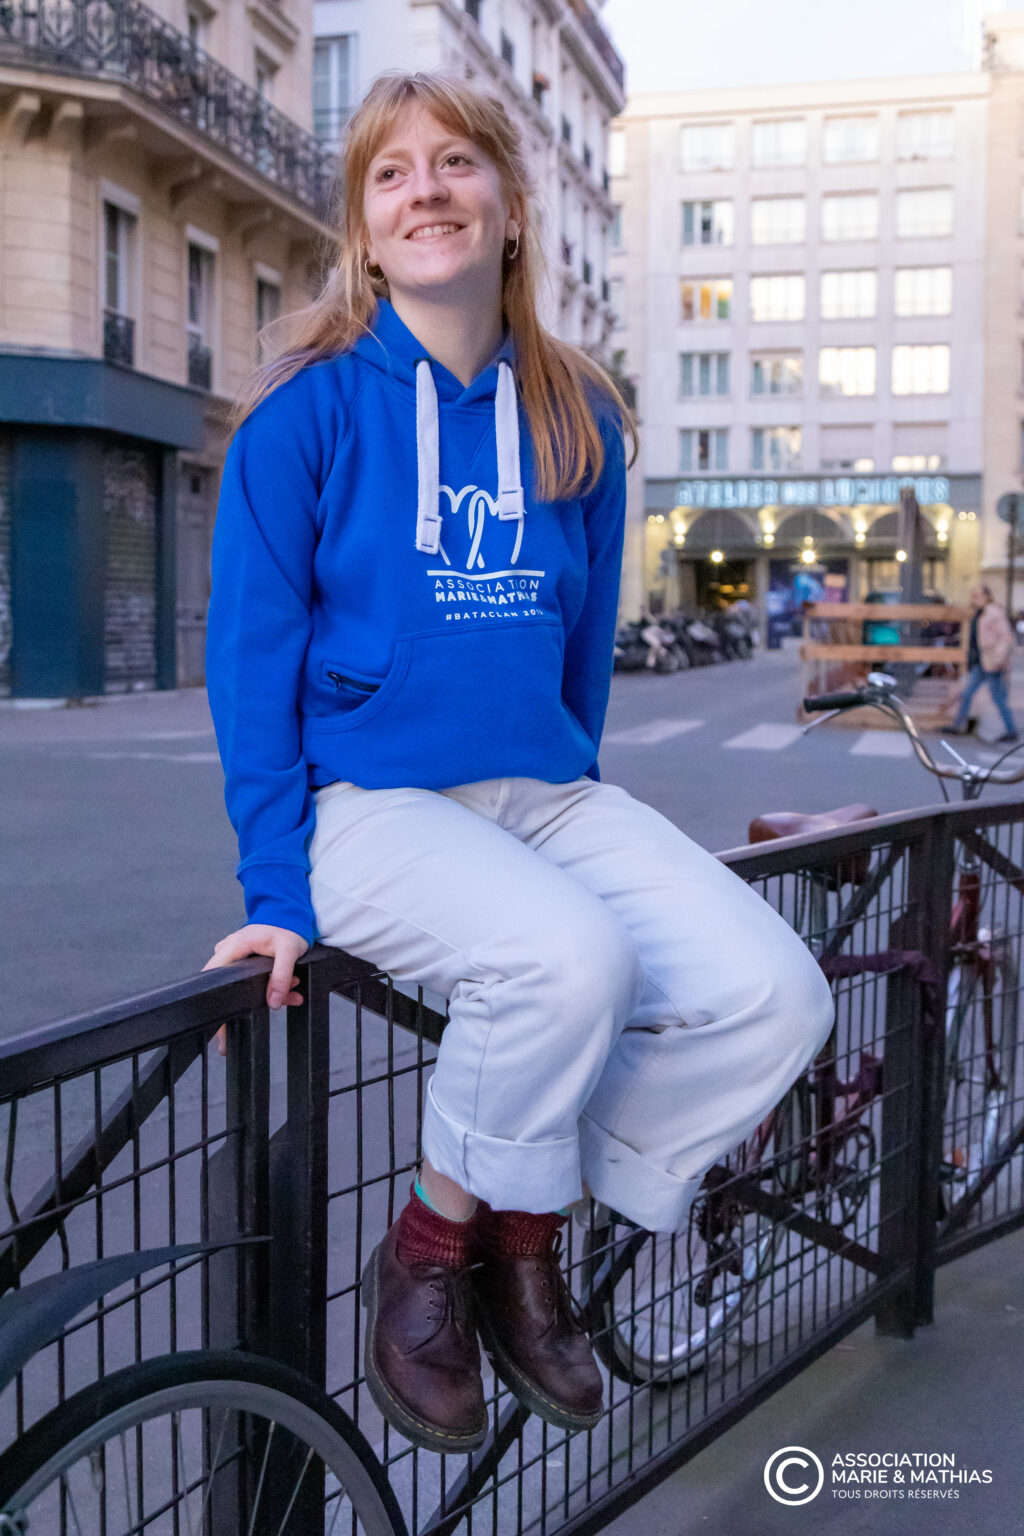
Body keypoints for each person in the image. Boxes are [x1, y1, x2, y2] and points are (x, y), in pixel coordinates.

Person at [201, 70, 834, 1456]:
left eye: (456, 163)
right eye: (390, 173)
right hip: (370, 807)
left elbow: (581, 652)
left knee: (776, 997)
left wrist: (573, 800)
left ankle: (519, 1215)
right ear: (365, 231)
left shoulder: (578, 417)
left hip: (544, 796)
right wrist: (276, 890)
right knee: (564, 959)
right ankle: (438, 1250)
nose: (425, 189)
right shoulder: (305, 415)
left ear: (510, 208)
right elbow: (249, 664)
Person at [948, 584, 1018, 741]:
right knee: (968, 694)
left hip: (992, 662)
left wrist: (998, 659)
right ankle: (958, 725)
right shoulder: (980, 612)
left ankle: (1011, 730)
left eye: (977, 596)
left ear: (986, 596)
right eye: (972, 596)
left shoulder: (993, 612)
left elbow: (1005, 637)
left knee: (997, 698)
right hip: (982, 662)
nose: (974, 599)